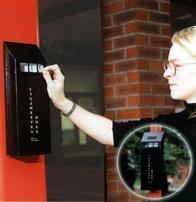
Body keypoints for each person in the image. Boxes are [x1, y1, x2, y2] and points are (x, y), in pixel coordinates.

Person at [42, 25, 196, 201]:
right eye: (167, 65)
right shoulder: (173, 124)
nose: (167, 73)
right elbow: (111, 132)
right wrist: (61, 101)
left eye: (176, 65)